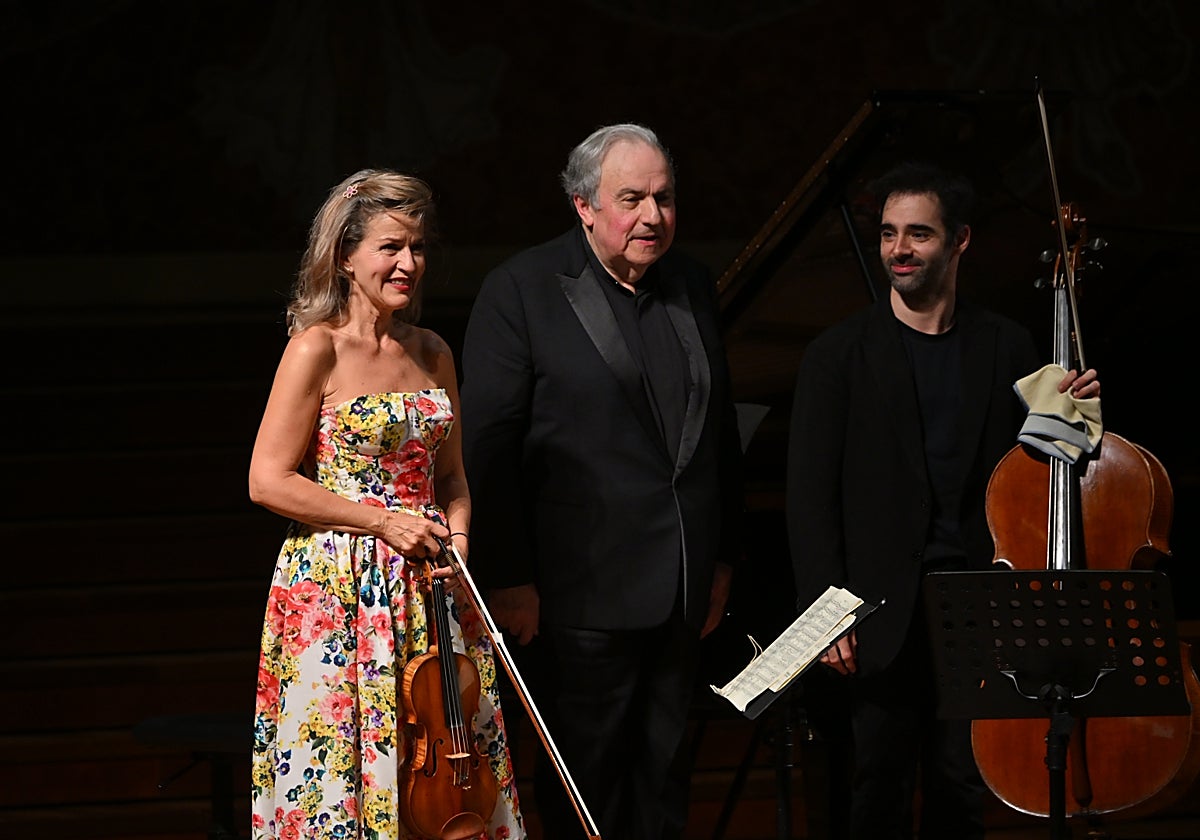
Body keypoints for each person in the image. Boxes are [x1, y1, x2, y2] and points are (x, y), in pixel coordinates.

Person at [786, 161, 1100, 839]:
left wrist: (1081, 419)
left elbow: (1052, 473)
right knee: (875, 789)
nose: (899, 249)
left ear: (959, 241)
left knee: (961, 788)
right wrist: (827, 613)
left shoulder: (1007, 345)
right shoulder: (838, 356)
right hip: (875, 613)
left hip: (979, 608)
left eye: (919, 234)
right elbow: (808, 499)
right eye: (890, 233)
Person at [458, 123, 744, 840]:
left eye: (665, 197)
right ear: (584, 206)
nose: (654, 215)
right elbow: (488, 448)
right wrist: (511, 575)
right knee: (586, 797)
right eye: (633, 198)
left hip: (680, 589)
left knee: (664, 787)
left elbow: (716, 437)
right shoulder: (520, 290)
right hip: (576, 594)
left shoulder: (693, 283)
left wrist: (721, 559)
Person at [247, 169, 525, 840]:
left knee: (445, 766)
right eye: (391, 247)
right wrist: (382, 522)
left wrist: (457, 543)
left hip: (428, 586)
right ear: (345, 254)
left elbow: (453, 477)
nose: (409, 263)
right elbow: (267, 480)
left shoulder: (432, 352)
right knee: (341, 767)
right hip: (340, 588)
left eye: (419, 248)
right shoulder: (317, 348)